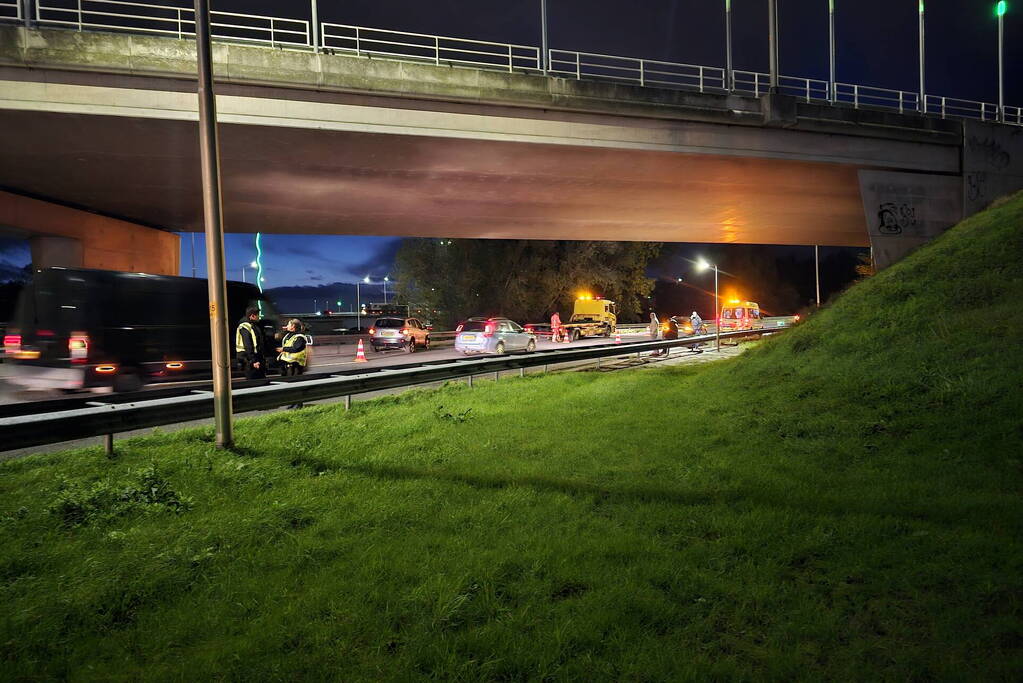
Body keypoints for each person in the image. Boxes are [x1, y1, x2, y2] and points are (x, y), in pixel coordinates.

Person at [277, 318, 309, 409]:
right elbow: (278, 337)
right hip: (287, 364)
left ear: (293, 327)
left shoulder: (300, 337)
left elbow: (296, 348)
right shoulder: (288, 335)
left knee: (296, 385)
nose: (287, 326)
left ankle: (298, 404)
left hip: (296, 365)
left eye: (289, 324)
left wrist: (283, 349)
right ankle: (292, 402)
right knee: (289, 385)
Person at [235, 307, 266, 380]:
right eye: (258, 315)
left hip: (254, 358)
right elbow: (248, 345)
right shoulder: (245, 327)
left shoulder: (253, 325)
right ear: (252, 316)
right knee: (254, 381)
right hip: (248, 359)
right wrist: (253, 361)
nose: (259, 316)